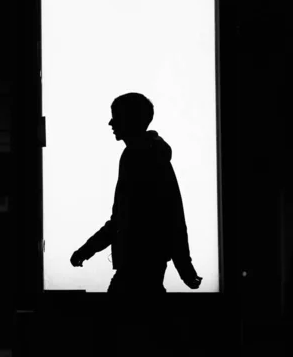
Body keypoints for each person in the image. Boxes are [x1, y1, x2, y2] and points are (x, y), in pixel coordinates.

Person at [70, 93, 202, 293]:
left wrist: (87, 250)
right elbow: (169, 215)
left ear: (130, 120)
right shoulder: (141, 157)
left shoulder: (142, 159)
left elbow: (169, 214)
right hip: (145, 265)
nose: (110, 122)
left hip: (138, 266)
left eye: (116, 116)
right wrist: (184, 266)